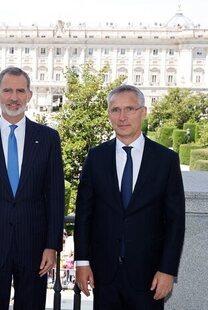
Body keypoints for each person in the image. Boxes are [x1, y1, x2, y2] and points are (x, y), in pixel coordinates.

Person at [0, 66, 65, 309]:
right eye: (7, 90)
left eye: (20, 91)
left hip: (35, 250)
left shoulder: (48, 138)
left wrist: (52, 246)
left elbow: (55, 197)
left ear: (29, 95)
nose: (13, 97)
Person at [75, 84, 185, 310]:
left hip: (150, 277)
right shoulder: (96, 157)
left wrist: (167, 270)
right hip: (104, 276)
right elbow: (84, 214)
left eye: (130, 109)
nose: (122, 117)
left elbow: (175, 221)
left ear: (143, 112)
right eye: (115, 110)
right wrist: (82, 262)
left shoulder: (166, 160)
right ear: (109, 114)